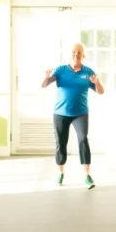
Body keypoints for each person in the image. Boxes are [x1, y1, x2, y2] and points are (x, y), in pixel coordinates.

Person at [42, 42, 104, 188]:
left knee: (83, 139)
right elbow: (44, 85)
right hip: (60, 113)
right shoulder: (61, 70)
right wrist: (46, 76)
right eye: (74, 52)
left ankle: (87, 176)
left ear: (83, 55)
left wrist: (98, 82)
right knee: (60, 143)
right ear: (70, 54)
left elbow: (101, 91)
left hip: (80, 113)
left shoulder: (88, 72)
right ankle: (60, 172)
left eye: (79, 52)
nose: (76, 54)